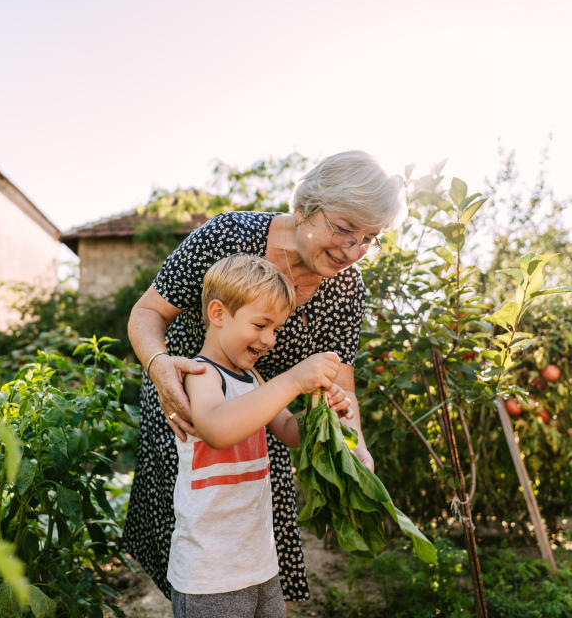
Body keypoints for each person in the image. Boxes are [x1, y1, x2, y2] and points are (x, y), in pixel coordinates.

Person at [124, 150, 408, 601]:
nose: (354, 251)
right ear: (303, 210)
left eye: (369, 238)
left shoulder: (346, 288)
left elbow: (341, 386)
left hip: (263, 409)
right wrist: (162, 370)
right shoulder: (227, 236)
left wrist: (355, 450)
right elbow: (147, 313)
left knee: (256, 534)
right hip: (185, 400)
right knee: (194, 537)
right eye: (344, 229)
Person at [169, 254, 351, 618]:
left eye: (277, 329)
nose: (269, 339)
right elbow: (219, 430)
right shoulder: (202, 374)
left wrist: (321, 413)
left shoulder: (252, 379)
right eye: (261, 324)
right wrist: (294, 379)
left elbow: (287, 431)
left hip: (259, 561)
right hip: (210, 572)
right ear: (218, 314)